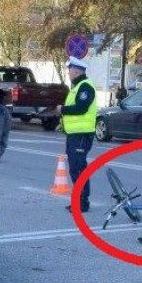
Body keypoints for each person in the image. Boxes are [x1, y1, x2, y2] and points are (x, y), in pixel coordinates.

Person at [59, 56, 98, 212]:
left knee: (79, 169)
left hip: (82, 134)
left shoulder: (85, 87)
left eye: (69, 69)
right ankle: (79, 201)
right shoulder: (77, 87)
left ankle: (82, 203)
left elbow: (81, 108)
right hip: (75, 134)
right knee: (75, 169)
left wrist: (62, 109)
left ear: (76, 71)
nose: (68, 72)